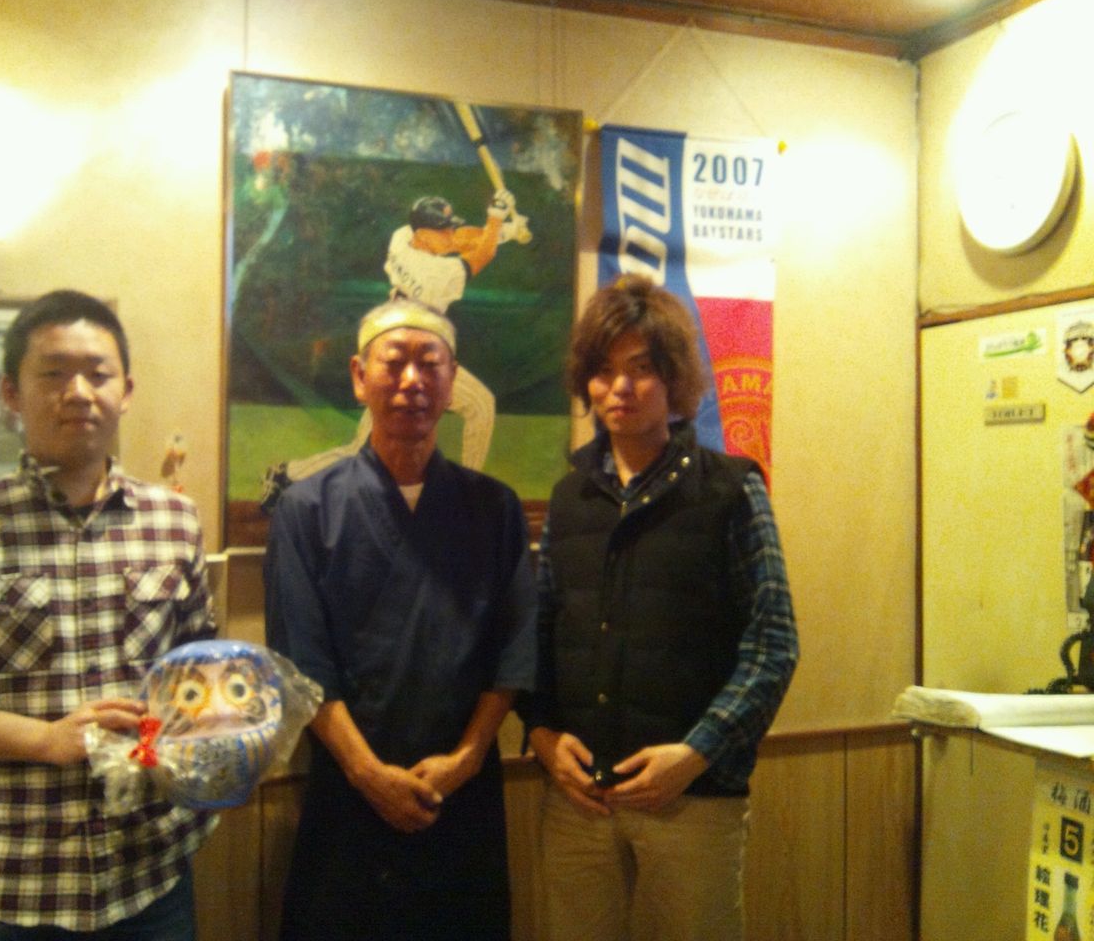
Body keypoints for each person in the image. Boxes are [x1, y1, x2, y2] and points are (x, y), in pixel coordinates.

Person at [0, 289, 218, 939]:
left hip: (148, 875)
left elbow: (196, 668)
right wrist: (45, 741)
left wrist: (222, 728)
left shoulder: (174, 522)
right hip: (0, 883)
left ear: (126, 391)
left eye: (98, 374)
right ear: (11, 393)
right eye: (53, 373)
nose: (78, 392)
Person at [519, 275, 798, 941]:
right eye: (604, 370)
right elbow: (538, 630)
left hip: (691, 801)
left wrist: (697, 753)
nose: (621, 387)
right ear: (586, 382)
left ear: (674, 380)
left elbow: (773, 643)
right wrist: (542, 734)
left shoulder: (730, 488)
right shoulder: (569, 498)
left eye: (642, 369)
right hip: (579, 800)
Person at [263, 298, 537, 941]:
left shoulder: (494, 508)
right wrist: (368, 774)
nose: (412, 380)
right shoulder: (306, 510)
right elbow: (300, 661)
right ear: (360, 377)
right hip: (348, 791)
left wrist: (466, 759)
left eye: (429, 363)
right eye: (394, 362)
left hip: (460, 791)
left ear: (452, 381)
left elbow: (515, 647)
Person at [260, 192, 519, 512]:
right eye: (443, 228)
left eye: (449, 226)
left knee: (361, 447)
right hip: (413, 354)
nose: (450, 233)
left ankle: (288, 474)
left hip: (393, 347)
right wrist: (496, 220)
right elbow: (481, 255)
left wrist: (504, 231)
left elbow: (459, 240)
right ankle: (470, 496)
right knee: (480, 405)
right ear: (423, 234)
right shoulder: (438, 273)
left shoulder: (402, 238)